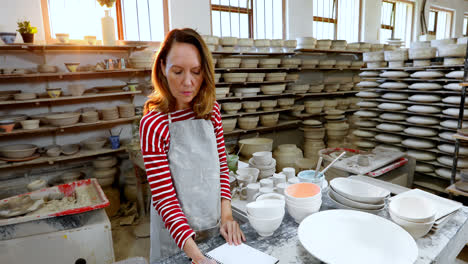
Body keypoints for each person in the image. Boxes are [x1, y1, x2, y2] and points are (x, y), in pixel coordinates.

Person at [139, 28, 245, 264]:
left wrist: (227, 216)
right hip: (176, 239)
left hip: (212, 224)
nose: (188, 82)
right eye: (177, 71)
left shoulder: (211, 112)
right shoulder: (153, 124)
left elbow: (221, 169)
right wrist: (197, 257)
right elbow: (165, 200)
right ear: (163, 67)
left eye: (196, 72)